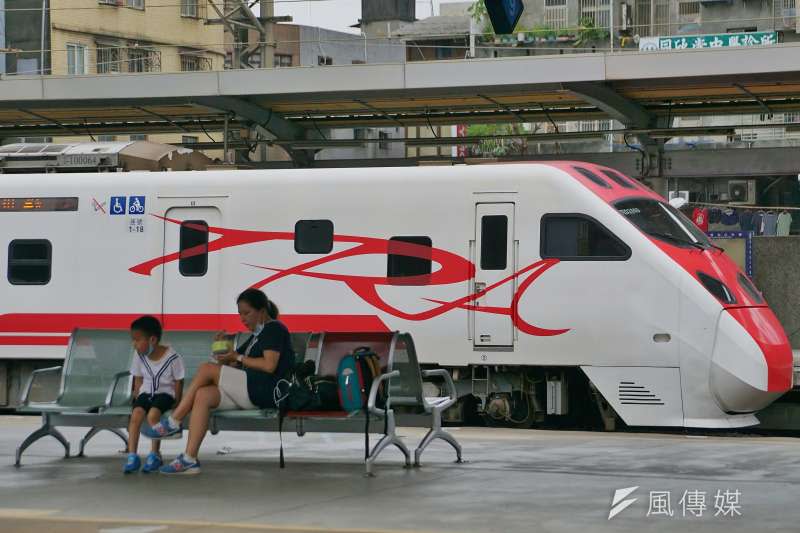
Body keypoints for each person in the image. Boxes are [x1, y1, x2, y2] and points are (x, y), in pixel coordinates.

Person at [142, 288, 294, 475]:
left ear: (262, 311)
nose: (243, 319)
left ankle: (174, 421)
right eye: (240, 314)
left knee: (206, 369)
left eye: (247, 313)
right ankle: (189, 459)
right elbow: (236, 362)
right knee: (203, 395)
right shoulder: (257, 336)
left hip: (266, 391)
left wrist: (236, 357)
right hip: (249, 390)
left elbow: (269, 365)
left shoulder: (274, 329)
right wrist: (224, 351)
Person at [124, 316, 185, 474]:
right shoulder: (139, 355)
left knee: (153, 416)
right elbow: (138, 378)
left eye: (137, 340)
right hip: (146, 392)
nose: (134, 344)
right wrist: (137, 397)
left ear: (152, 340)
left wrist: (177, 401)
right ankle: (132, 456)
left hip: (165, 394)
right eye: (133, 340)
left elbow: (179, 380)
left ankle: (154, 454)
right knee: (136, 415)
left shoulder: (173, 357)